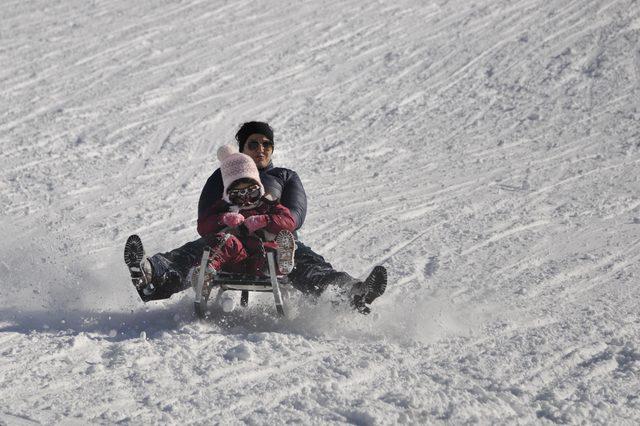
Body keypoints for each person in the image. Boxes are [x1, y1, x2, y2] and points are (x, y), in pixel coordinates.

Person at [124, 121, 386, 312]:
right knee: (198, 251)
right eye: (253, 143)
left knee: (306, 262)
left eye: (267, 144)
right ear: (242, 147)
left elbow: (295, 216)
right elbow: (205, 218)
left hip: (275, 242)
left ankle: (352, 293)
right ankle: (151, 273)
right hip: (229, 243)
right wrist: (227, 221)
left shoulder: (284, 176)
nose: (261, 148)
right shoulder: (222, 176)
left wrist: (264, 221)